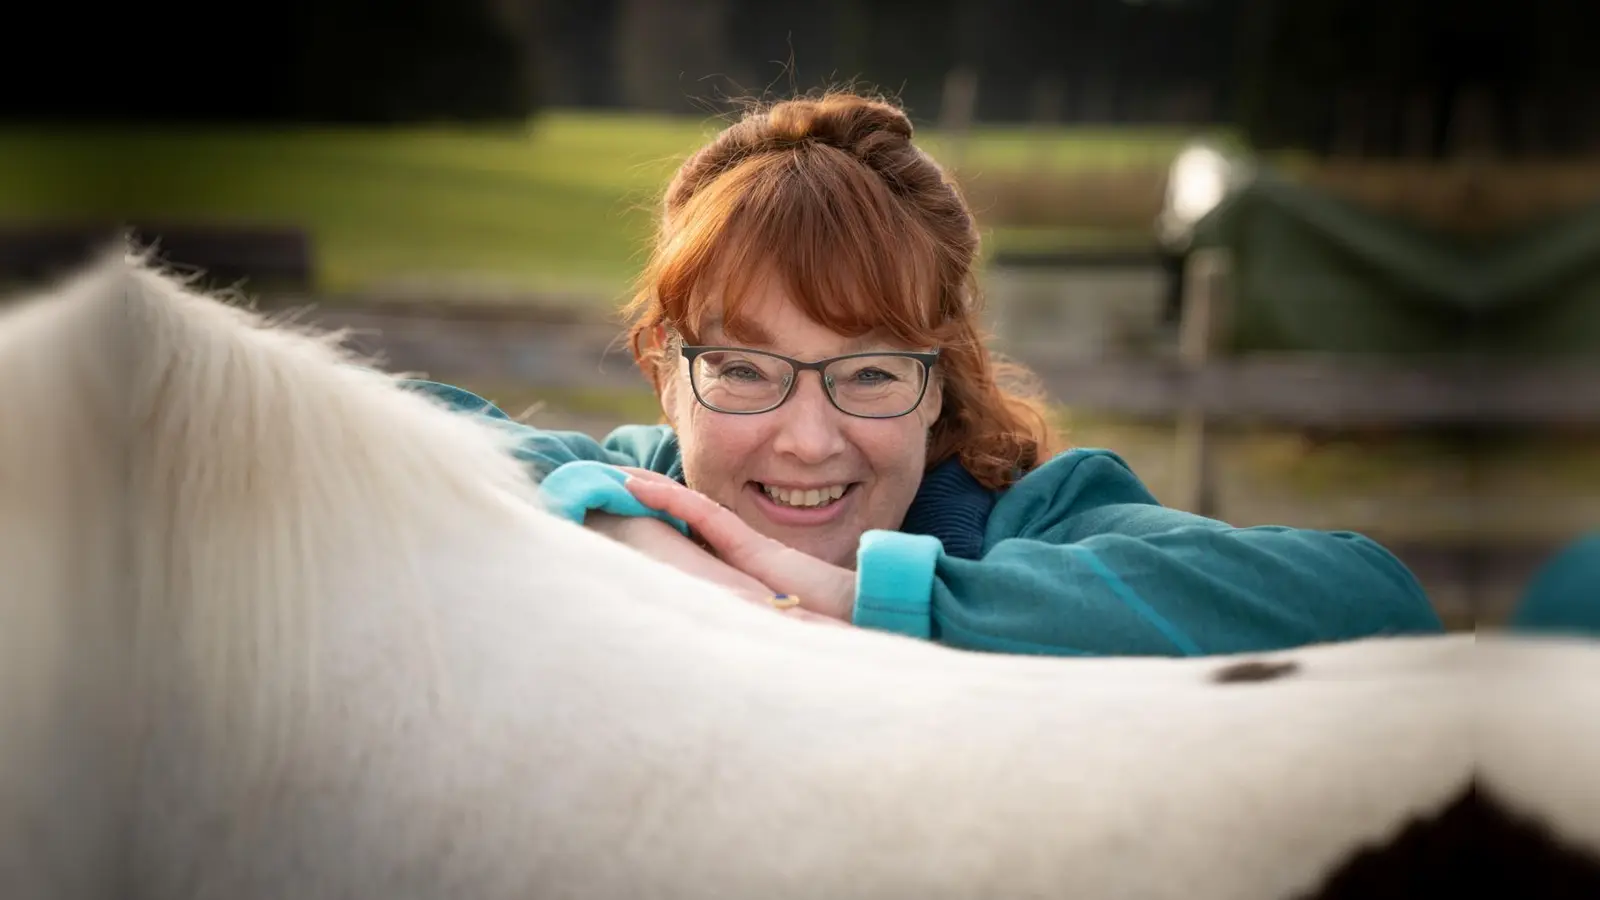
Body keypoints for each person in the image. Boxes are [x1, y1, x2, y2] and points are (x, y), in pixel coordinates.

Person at [405, 90, 1444, 657]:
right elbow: (377, 421)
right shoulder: (631, 486)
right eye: (744, 368)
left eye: (865, 376)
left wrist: (869, 598)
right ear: (661, 370)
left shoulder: (1025, 522)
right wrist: (605, 522)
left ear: (940, 381)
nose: (806, 439)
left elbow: (1369, 597)